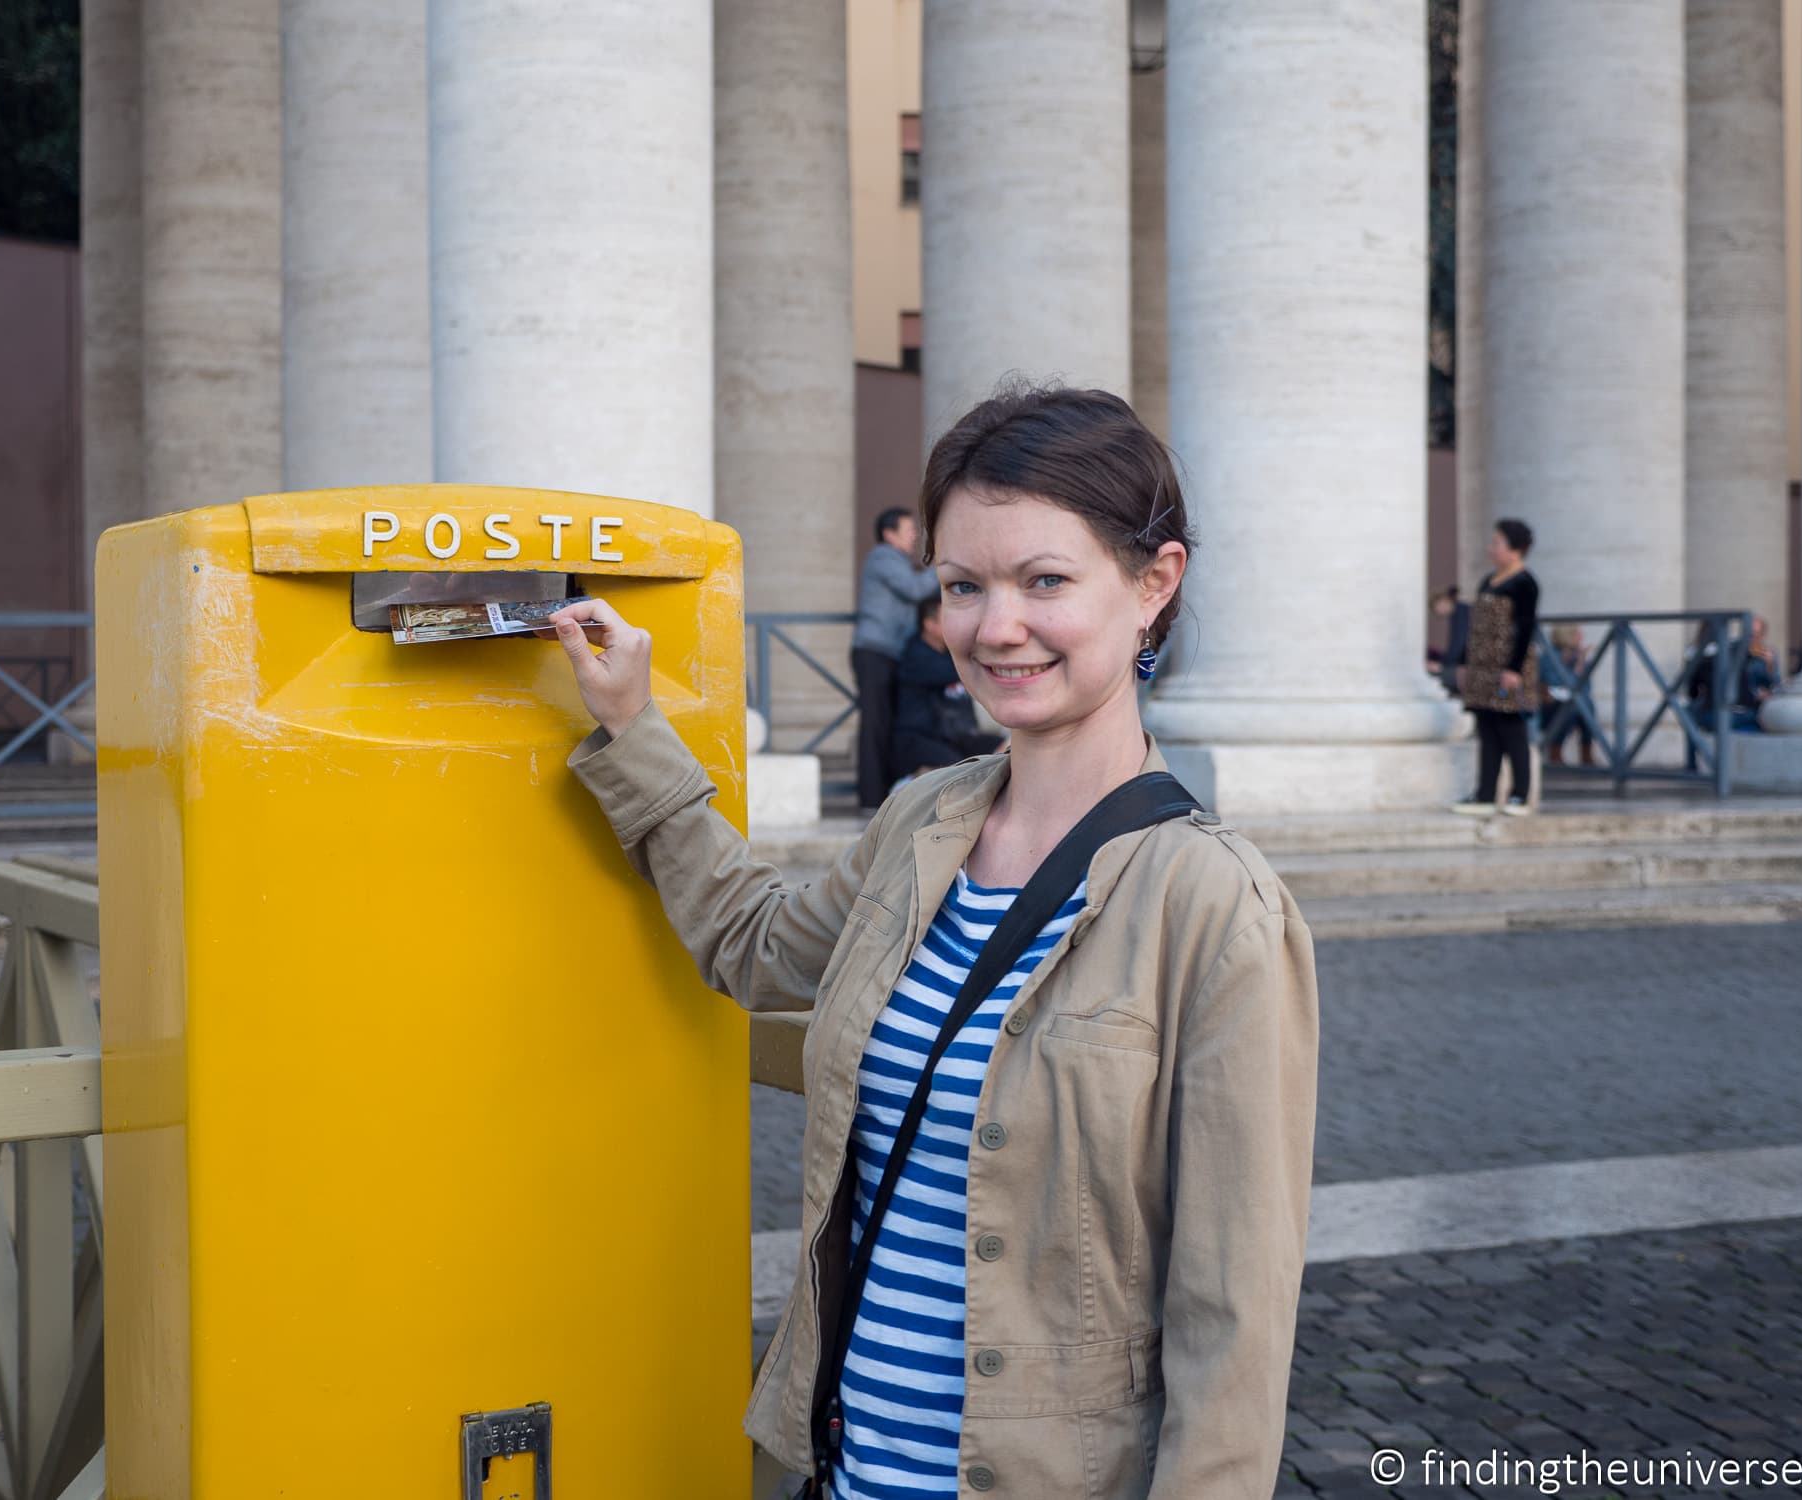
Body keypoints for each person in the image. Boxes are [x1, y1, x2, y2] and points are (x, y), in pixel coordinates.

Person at [548, 384, 1318, 1499]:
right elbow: (754, 945)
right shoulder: (924, 820)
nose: (992, 627)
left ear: (1154, 583)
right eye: (962, 586)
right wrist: (633, 725)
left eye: (1043, 581)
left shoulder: (1211, 904)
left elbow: (1230, 1319)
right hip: (850, 1471)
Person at [850, 507, 940, 810]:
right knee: (875, 723)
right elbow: (914, 590)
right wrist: (946, 563)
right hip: (874, 652)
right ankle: (870, 797)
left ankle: (884, 792)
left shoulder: (897, 561)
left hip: (889, 653)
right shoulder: (883, 558)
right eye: (908, 529)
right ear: (889, 534)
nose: (914, 534)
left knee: (887, 722)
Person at [1452, 518, 1541, 816]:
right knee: (1487, 728)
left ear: (1515, 550)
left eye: (1497, 543)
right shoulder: (1488, 581)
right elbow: (1474, 626)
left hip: (1507, 667)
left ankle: (1520, 795)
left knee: (1512, 729)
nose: (1491, 549)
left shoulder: (1525, 584)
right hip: (1482, 666)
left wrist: (1513, 669)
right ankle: (1485, 794)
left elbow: (1526, 628)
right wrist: (1465, 662)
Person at [890, 593, 1006, 779]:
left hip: (954, 737)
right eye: (948, 618)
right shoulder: (916, 657)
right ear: (930, 625)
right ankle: (909, 788)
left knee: (1009, 747)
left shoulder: (947, 655)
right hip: (919, 740)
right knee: (959, 771)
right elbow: (969, 668)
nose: (956, 624)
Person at [1541, 623, 1596, 766]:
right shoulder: (1550, 656)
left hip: (1574, 704)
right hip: (1551, 704)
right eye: (1578, 633)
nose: (1582, 637)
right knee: (1570, 709)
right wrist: (1575, 669)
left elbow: (1585, 689)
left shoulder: (1579, 657)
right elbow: (1556, 685)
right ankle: (1556, 753)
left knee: (1587, 705)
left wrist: (1579, 664)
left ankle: (1587, 754)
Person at [1426, 586, 1471, 696]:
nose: (1439, 612)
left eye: (1438, 608)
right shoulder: (1459, 611)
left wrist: (1443, 665)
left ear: (1445, 600)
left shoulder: (1461, 612)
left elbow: (1459, 643)